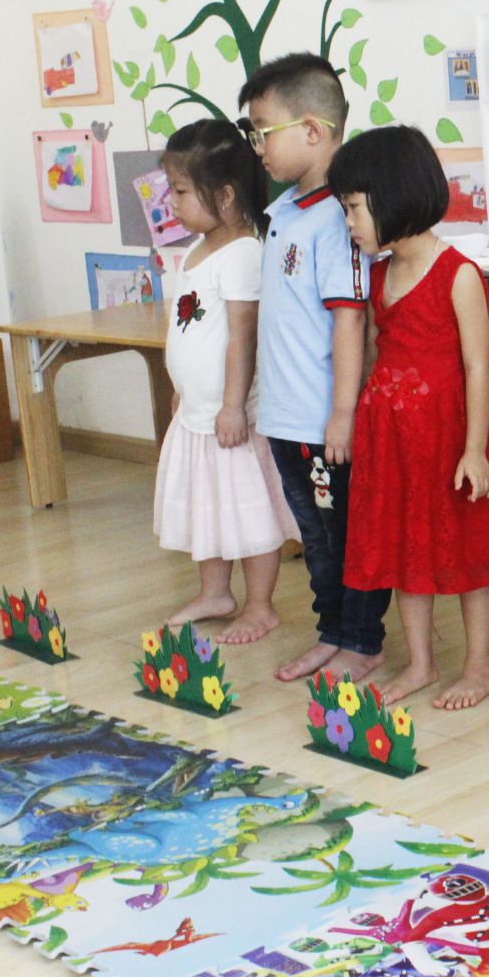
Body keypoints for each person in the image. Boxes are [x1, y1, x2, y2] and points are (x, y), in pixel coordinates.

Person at [330, 125, 489, 707]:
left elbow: (479, 369)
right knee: (403, 550)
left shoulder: (458, 274)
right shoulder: (378, 276)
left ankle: (481, 667)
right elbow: (376, 355)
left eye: (354, 208)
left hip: (447, 443)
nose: (349, 222)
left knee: (467, 551)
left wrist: (473, 449)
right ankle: (421, 664)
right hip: (393, 443)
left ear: (392, 196)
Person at [238, 53, 390, 683]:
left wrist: (342, 414)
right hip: (285, 417)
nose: (257, 148)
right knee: (316, 536)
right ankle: (333, 631)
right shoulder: (284, 213)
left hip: (323, 422)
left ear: (312, 130)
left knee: (344, 534)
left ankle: (361, 640)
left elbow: (350, 321)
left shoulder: (339, 218)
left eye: (262, 131)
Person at [152, 118, 298, 644]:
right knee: (207, 505)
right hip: (197, 413)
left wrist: (232, 405)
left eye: (181, 191)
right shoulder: (198, 250)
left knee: (249, 511)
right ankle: (215, 591)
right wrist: (182, 389)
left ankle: (260, 605)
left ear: (227, 194)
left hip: (230, 417)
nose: (171, 202)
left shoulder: (243, 253)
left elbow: (243, 337)